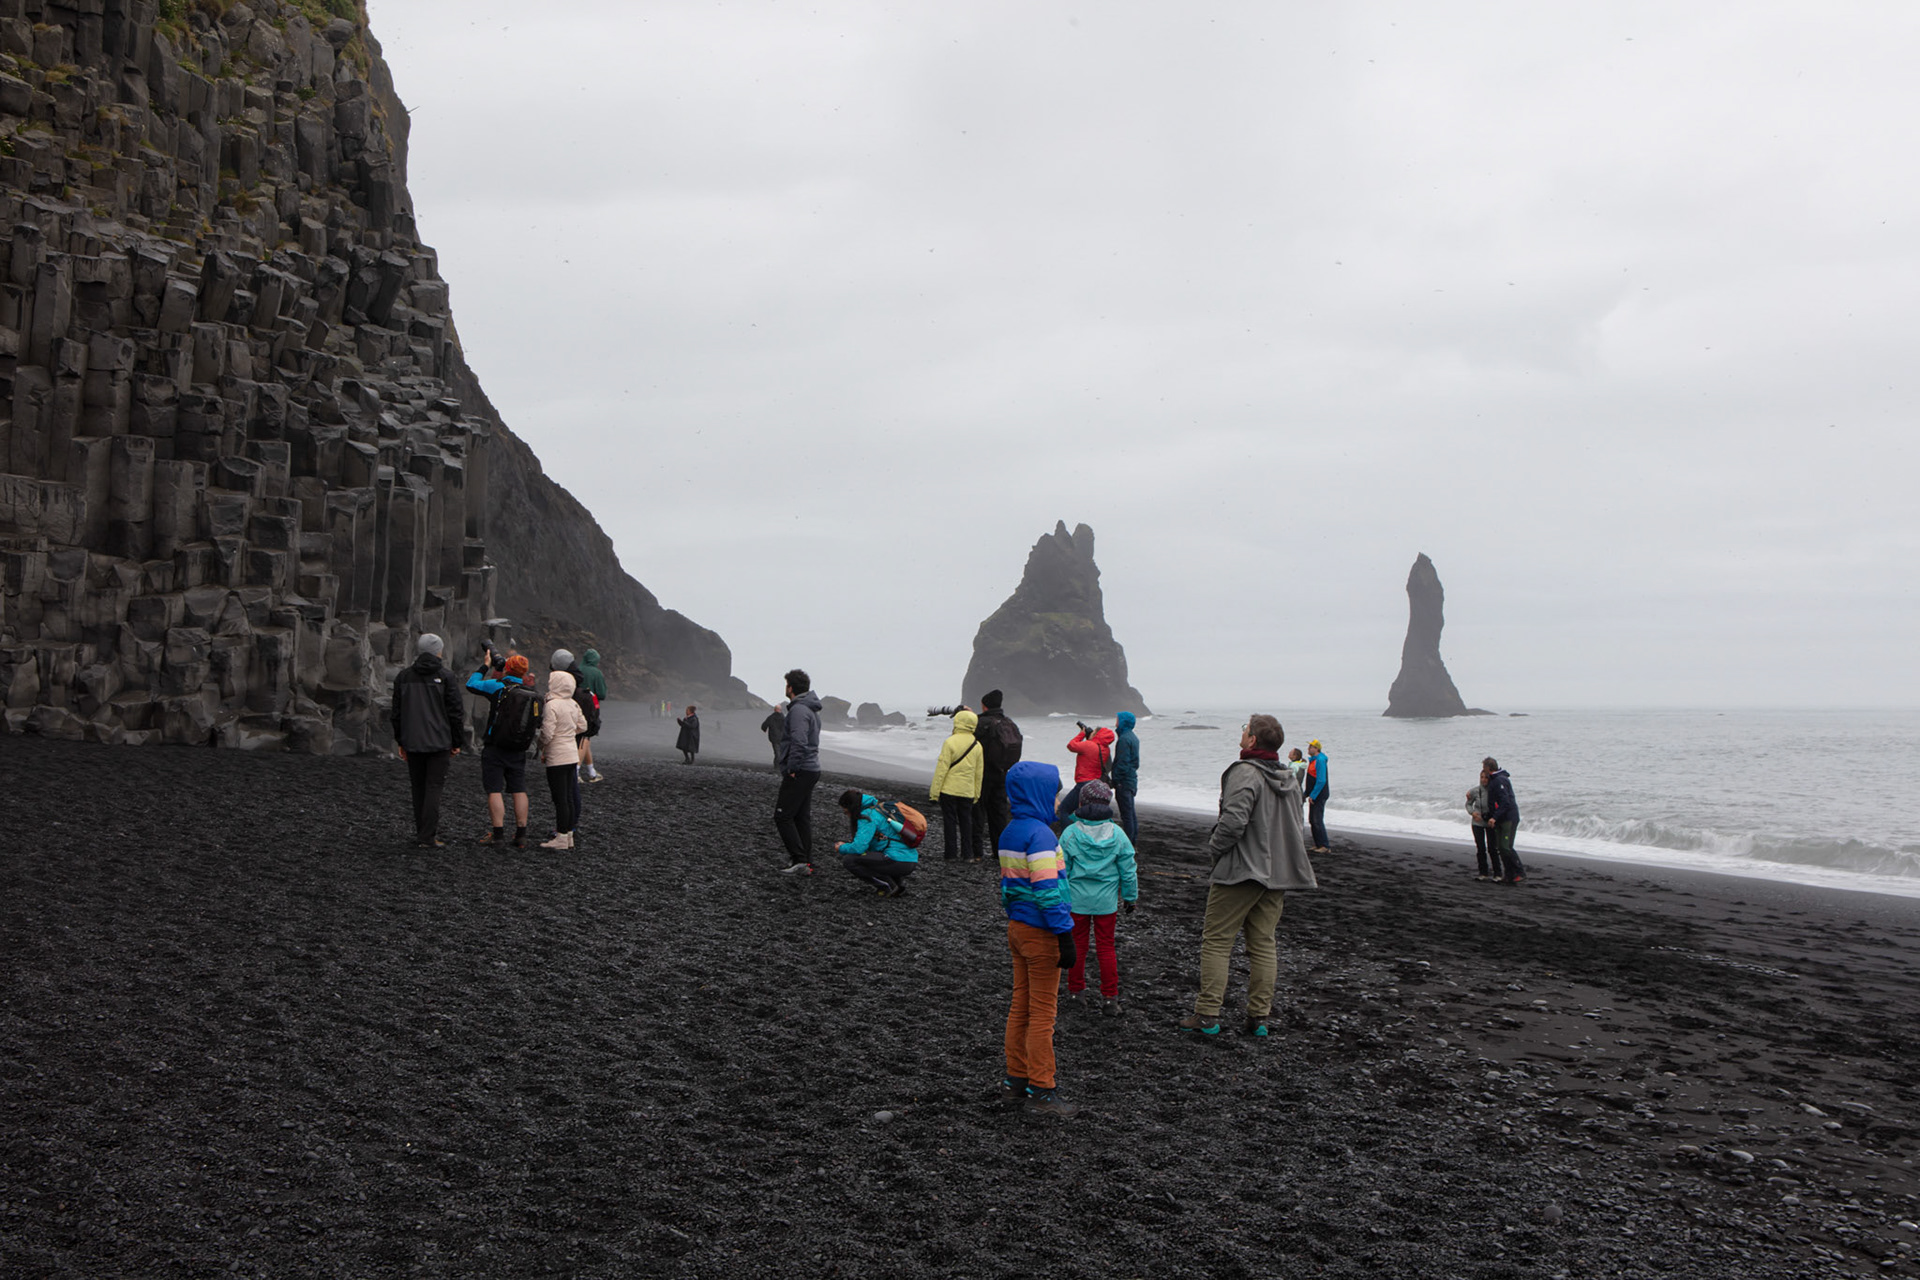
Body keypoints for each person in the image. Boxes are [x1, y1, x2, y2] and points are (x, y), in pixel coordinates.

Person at [1179, 714, 1317, 1037]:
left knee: (1216, 941)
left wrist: (1215, 848)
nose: (1242, 733)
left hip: (1241, 872)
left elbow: (1233, 822)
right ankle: (1259, 1018)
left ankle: (1208, 1014)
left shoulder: (1245, 773)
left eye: (1245, 729)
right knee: (1264, 943)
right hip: (1276, 873)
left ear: (1253, 740)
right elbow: (1296, 826)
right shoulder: (1289, 777)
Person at [997, 760, 1078, 1117]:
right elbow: (1047, 891)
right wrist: (1064, 934)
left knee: (1021, 1006)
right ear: (1039, 794)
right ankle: (1043, 1090)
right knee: (1043, 1014)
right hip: (1042, 930)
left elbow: (1008, 887)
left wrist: (1016, 916)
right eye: (1055, 793)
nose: (1058, 800)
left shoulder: (1010, 831)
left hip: (1018, 927)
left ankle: (1016, 1080)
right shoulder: (1042, 835)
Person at [1058, 780, 1138, 1016]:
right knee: (1106, 948)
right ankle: (1110, 998)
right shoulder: (1118, 834)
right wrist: (1130, 897)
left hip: (1077, 901)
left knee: (1079, 946)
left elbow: (1062, 871)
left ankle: (1076, 992)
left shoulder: (1071, 833)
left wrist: (1063, 899)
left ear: (1081, 802)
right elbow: (1128, 869)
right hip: (1105, 903)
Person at [390, 633, 464, 848]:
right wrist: (456, 741)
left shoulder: (404, 677)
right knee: (434, 787)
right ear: (438, 651)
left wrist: (401, 740)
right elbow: (455, 712)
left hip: (413, 740)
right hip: (439, 741)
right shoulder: (446, 677)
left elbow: (396, 713)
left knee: (418, 787)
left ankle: (421, 833)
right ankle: (427, 836)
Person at [466, 648, 535, 848]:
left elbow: (471, 684)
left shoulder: (498, 686)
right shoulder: (531, 692)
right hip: (518, 747)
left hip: (495, 745)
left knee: (494, 789)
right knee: (519, 789)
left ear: (507, 668)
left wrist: (485, 665)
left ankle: (498, 834)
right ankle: (521, 834)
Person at [774, 669, 824, 874]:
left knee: (782, 815)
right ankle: (806, 862)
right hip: (811, 768)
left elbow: (799, 740)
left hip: (801, 769)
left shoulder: (798, 711)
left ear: (791, 688)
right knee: (801, 817)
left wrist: (792, 768)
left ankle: (799, 859)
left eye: (786, 685)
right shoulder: (810, 710)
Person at [536, 668, 589, 850]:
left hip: (557, 756)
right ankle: (569, 836)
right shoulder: (573, 704)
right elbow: (583, 726)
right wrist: (568, 734)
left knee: (560, 798)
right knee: (568, 797)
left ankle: (561, 837)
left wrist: (541, 745)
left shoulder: (552, 704)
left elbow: (547, 733)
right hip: (572, 755)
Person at [836, 789, 918, 897]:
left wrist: (842, 847)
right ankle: (898, 885)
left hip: (897, 860)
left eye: (846, 812)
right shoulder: (878, 810)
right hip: (909, 859)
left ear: (852, 808)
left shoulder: (866, 817)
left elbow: (858, 848)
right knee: (874, 855)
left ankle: (887, 886)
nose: (847, 815)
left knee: (850, 860)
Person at [972, 689, 1023, 860]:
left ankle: (977, 852)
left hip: (983, 773)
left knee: (978, 811)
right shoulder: (1009, 723)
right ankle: (999, 852)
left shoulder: (981, 723)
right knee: (999, 814)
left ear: (984, 705)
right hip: (1003, 773)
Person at [551, 649, 598, 830]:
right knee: (570, 782)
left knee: (565, 789)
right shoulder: (587, 686)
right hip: (579, 732)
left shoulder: (563, 688)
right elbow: (600, 692)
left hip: (562, 740)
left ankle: (566, 827)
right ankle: (571, 823)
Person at [929, 707, 983, 861]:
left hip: (949, 790)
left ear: (958, 721)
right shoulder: (977, 745)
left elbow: (942, 769)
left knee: (950, 822)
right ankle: (968, 855)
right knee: (967, 823)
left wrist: (934, 793)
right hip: (967, 791)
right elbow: (978, 773)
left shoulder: (950, 742)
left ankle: (951, 854)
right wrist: (976, 795)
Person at [1059, 721, 1117, 822]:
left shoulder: (1089, 745)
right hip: (1094, 784)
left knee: (1063, 809)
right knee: (1085, 813)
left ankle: (1067, 834)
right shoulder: (1105, 749)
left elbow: (1071, 745)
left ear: (1096, 734)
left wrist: (1081, 734)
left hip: (1083, 783)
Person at [1484, 757, 1526, 885]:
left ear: (1489, 768)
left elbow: (1505, 802)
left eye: (1484, 768)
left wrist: (1494, 817)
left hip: (1509, 817)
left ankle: (1519, 872)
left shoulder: (1500, 780)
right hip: (1500, 818)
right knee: (1500, 847)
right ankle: (1509, 874)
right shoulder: (1494, 781)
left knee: (1505, 847)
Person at [576, 648, 609, 782]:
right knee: (585, 737)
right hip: (590, 707)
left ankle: (591, 772)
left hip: (574, 705)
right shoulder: (596, 673)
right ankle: (576, 772)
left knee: (583, 738)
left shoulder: (577, 669)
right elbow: (601, 694)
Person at [1110, 711, 1141, 844]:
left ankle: (1129, 843)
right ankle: (1132, 841)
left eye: (1117, 719)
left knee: (1127, 815)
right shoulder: (1132, 737)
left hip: (1124, 781)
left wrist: (1115, 780)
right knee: (1131, 814)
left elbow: (1122, 763)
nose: (1115, 721)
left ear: (1123, 721)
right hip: (1130, 780)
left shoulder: (1124, 739)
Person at [1467, 768, 1495, 881]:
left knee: (1492, 848)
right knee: (1480, 848)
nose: (1484, 780)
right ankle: (1483, 873)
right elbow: (1468, 804)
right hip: (1477, 823)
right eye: (1481, 777)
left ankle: (1497, 873)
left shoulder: (1494, 790)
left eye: (1486, 778)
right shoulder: (1474, 791)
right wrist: (1472, 813)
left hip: (1489, 823)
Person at [1303, 738, 1330, 853]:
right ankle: (1318, 844)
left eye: (1311, 747)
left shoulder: (1320, 760)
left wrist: (1313, 795)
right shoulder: (1313, 760)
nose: (1308, 749)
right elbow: (1311, 779)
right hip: (1314, 793)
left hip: (1320, 794)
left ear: (1316, 749)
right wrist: (1306, 794)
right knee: (1312, 820)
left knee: (1317, 819)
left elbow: (1321, 780)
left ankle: (1324, 845)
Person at [760, 701, 788, 770]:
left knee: (777, 752)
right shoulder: (784, 718)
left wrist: (765, 729)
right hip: (782, 738)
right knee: (781, 752)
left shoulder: (771, 717)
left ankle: (777, 766)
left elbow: (764, 726)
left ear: (775, 710)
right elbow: (788, 727)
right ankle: (779, 766)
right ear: (780, 710)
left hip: (774, 738)